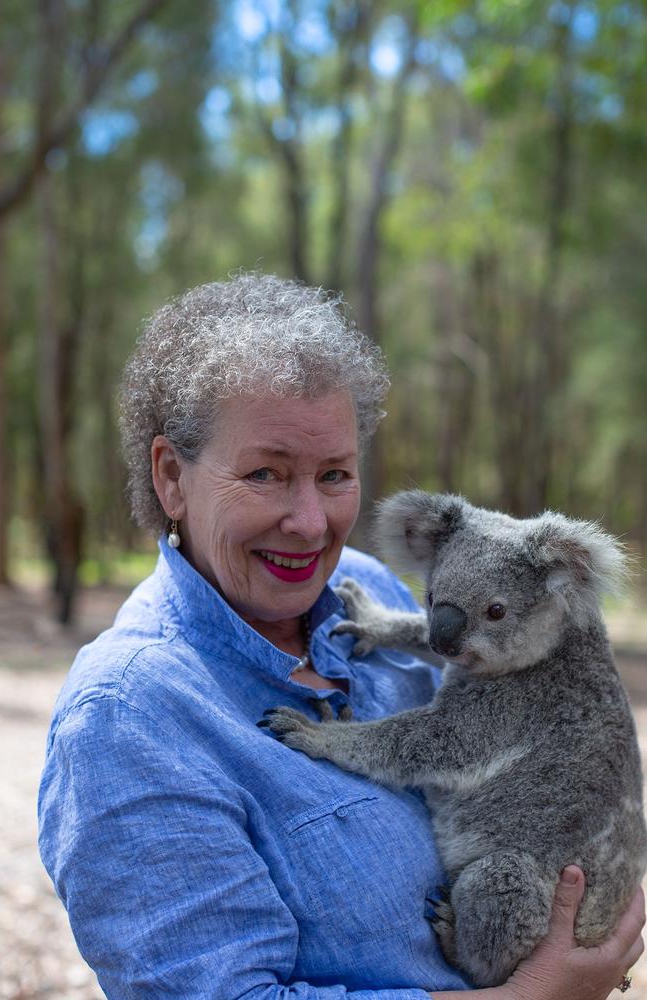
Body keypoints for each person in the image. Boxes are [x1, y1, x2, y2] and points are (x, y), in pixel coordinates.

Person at [38, 273, 644, 999]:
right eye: (266, 473)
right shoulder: (128, 720)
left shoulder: (366, 587)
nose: (310, 521)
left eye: (335, 475)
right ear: (172, 477)